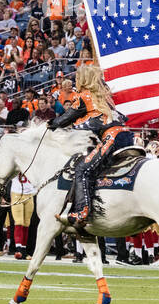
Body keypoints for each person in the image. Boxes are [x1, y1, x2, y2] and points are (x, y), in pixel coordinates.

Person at [51, 64, 130, 231]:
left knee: (82, 169)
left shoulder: (84, 97)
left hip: (111, 137)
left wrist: (49, 125)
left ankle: (82, 212)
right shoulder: (105, 96)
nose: (75, 81)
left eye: (77, 78)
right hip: (126, 136)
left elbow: (65, 119)